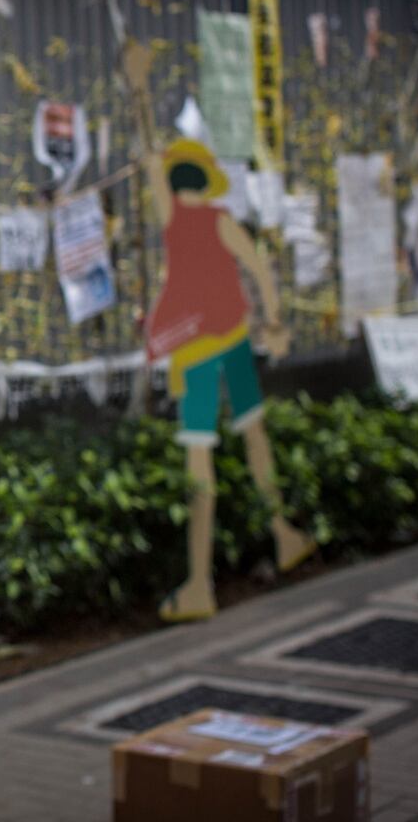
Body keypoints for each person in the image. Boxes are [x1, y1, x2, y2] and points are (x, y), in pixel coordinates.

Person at [144, 138, 317, 621]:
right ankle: (283, 533)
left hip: (198, 353)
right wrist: (276, 322)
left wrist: (137, 91)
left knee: (200, 457)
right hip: (235, 340)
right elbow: (260, 271)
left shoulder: (175, 220)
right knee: (255, 436)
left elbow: (150, 157)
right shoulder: (220, 219)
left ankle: (201, 582)